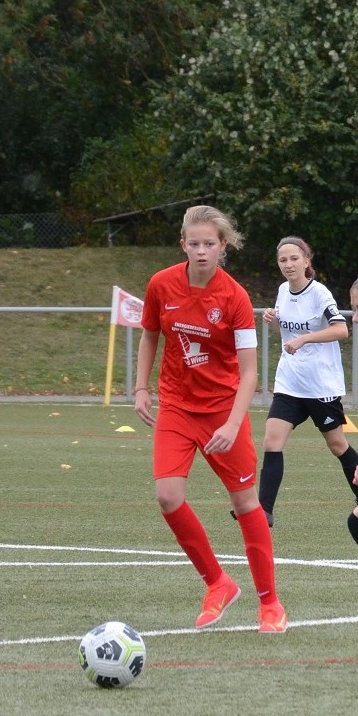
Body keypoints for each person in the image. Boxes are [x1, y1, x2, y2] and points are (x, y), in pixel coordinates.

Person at [134, 205, 287, 633]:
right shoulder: (161, 284)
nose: (201, 251)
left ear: (223, 247)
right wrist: (142, 387)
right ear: (183, 244)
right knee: (168, 497)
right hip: (177, 407)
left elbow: (250, 372)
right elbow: (149, 335)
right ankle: (217, 583)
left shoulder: (235, 297)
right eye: (194, 243)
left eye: (210, 244)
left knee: (246, 504)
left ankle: (270, 604)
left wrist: (233, 424)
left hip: (223, 410)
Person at [258, 236, 358, 525]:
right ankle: (263, 511)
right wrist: (272, 321)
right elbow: (282, 333)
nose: (288, 264)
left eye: (294, 258)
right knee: (271, 441)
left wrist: (305, 339)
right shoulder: (283, 291)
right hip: (290, 382)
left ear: (306, 261)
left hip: (320, 385)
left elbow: (341, 330)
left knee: (337, 445)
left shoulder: (319, 293)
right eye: (283, 260)